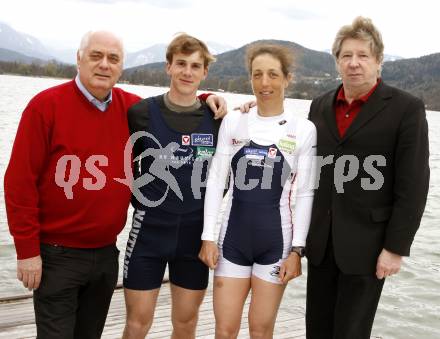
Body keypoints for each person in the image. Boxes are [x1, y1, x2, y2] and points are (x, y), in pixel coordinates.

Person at [3, 30, 226, 339]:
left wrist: (207, 99)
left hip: (106, 253)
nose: (104, 65)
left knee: (90, 334)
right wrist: (27, 251)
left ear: (121, 67)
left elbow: (178, 108)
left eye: (113, 59)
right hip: (57, 253)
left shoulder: (130, 107)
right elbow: (18, 182)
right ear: (78, 59)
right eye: (96, 56)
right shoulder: (48, 106)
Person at [305, 17, 430, 338]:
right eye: (346, 56)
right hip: (321, 242)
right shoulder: (319, 106)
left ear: (379, 61)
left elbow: (413, 184)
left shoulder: (406, 108)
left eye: (363, 56)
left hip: (368, 245)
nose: (354, 63)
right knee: (316, 330)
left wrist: (396, 248)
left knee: (351, 332)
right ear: (337, 61)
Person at [199, 43, 317, 338]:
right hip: (232, 241)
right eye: (257, 75)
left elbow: (304, 194)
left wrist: (297, 250)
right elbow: (216, 181)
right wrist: (208, 237)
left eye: (273, 75)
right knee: (225, 330)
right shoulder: (234, 121)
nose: (265, 83)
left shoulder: (303, 130)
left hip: (276, 244)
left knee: (261, 330)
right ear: (250, 78)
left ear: (287, 78)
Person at [122, 33, 223, 339]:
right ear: (168, 67)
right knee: (137, 323)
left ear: (205, 73)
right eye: (181, 63)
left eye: (195, 66)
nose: (187, 72)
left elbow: (224, 179)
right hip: (148, 233)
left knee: (186, 324)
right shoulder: (141, 113)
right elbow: (126, 167)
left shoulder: (218, 118)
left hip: (194, 237)